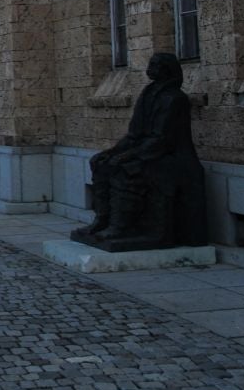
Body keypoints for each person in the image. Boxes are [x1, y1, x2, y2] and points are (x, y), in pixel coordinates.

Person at [72, 52, 207, 249]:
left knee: (124, 171)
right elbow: (134, 133)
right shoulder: (149, 93)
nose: (149, 69)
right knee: (100, 163)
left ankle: (120, 226)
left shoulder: (174, 99)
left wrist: (128, 156)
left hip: (169, 157)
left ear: (166, 70)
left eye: (155, 65)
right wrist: (114, 152)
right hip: (146, 150)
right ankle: (103, 219)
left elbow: (161, 139)